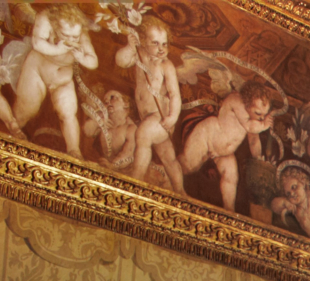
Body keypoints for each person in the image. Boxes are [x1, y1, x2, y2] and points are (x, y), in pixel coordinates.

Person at [11, 3, 97, 157]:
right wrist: (58, 49)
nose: (71, 40)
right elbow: (37, 43)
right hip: (37, 71)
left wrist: (81, 57)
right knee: (27, 109)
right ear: (57, 28)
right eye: (66, 35)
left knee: (68, 112)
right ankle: (10, 134)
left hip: (63, 80)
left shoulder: (81, 33)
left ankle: (74, 152)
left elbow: (93, 61)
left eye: (74, 37)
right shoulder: (46, 18)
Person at [180, 82, 277, 213]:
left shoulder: (253, 119)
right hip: (207, 136)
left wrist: (258, 159)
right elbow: (249, 126)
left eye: (264, 116)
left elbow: (254, 141)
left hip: (223, 153)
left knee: (231, 177)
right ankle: (165, 172)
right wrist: (264, 125)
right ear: (248, 102)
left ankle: (229, 211)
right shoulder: (236, 100)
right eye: (258, 113)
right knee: (188, 165)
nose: (261, 118)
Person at [116, 15, 184, 191]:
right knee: (168, 157)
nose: (161, 49)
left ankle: (136, 180)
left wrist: (172, 117)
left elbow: (175, 95)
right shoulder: (139, 56)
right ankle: (180, 190)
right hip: (146, 117)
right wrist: (130, 47)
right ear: (143, 41)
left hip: (160, 116)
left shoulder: (166, 65)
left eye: (164, 44)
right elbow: (121, 61)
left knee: (142, 135)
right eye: (155, 43)